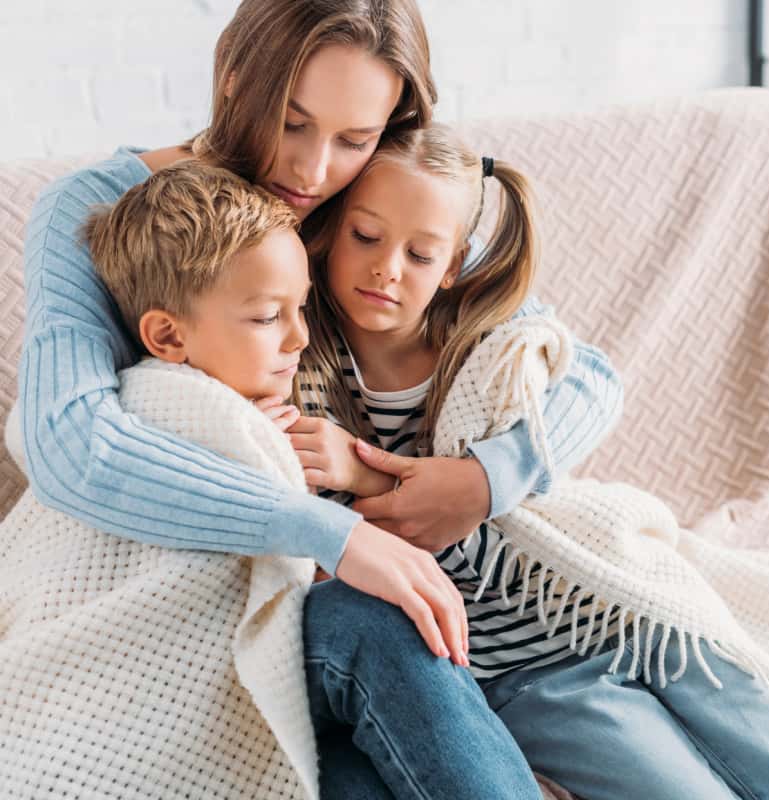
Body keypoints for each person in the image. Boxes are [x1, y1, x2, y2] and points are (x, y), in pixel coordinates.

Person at [12, 0, 621, 796]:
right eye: (291, 122)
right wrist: (331, 533)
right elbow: (70, 444)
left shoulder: (371, 206)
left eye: (353, 138)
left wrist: (485, 479)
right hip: (190, 603)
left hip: (325, 610)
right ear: (235, 77)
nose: (310, 170)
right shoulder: (97, 209)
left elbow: (583, 373)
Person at [295, 122, 769, 800]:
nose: (387, 267)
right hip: (526, 676)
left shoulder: (488, 342)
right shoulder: (306, 373)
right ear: (330, 229)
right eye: (366, 237)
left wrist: (479, 477)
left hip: (609, 603)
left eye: (420, 254)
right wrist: (361, 481)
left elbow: (590, 381)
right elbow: (348, 551)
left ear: (453, 268)